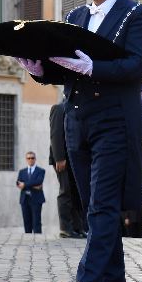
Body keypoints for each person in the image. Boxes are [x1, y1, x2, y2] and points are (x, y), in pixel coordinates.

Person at [16, 0, 142, 282]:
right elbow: (64, 67)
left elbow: (137, 66)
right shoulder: (76, 16)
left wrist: (93, 68)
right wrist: (38, 68)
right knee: (92, 203)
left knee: (103, 204)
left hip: (114, 120)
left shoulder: (137, 15)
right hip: (77, 121)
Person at [49, 102, 86, 238]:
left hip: (75, 158)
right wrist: (59, 157)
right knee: (66, 191)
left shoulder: (78, 108)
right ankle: (65, 228)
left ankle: (78, 227)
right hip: (63, 159)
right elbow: (55, 133)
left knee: (77, 193)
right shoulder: (59, 108)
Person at [16, 151, 46, 234]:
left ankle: (39, 241)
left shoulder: (41, 171)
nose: (30, 160)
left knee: (36, 222)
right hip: (24, 199)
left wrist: (25, 184)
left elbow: (39, 181)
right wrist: (34, 185)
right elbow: (18, 183)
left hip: (36, 199)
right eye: (28, 158)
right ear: (26, 159)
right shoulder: (22, 171)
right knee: (27, 221)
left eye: (32, 158)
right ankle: (27, 240)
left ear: (35, 159)